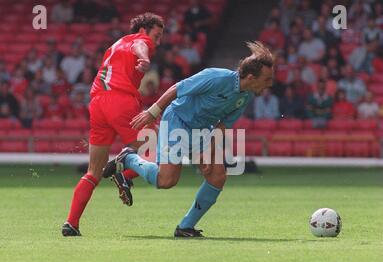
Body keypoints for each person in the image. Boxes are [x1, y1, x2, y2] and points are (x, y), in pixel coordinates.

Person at [103, 41, 274, 238]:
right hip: (178, 121)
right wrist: (152, 112)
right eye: (267, 79)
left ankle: (185, 227)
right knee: (166, 181)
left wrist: (208, 151)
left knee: (217, 176)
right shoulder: (216, 77)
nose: (270, 84)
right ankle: (128, 159)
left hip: (202, 130)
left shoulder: (245, 96)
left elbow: (222, 126)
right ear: (252, 77)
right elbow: (177, 88)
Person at [61, 13, 164, 237]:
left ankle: (71, 223)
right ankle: (124, 171)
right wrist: (145, 59)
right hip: (121, 102)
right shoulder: (141, 41)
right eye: (157, 35)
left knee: (93, 172)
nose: (158, 40)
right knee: (161, 148)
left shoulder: (117, 43)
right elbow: (141, 45)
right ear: (144, 29)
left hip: (97, 103)